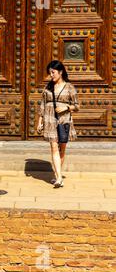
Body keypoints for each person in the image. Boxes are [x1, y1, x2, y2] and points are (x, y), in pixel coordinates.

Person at [37, 60, 79, 188]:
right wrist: (40, 122)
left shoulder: (69, 87)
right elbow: (43, 105)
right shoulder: (48, 87)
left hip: (63, 120)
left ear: (60, 72)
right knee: (54, 147)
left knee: (62, 149)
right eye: (50, 72)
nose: (51, 75)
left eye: (53, 72)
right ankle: (59, 178)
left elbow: (77, 106)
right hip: (50, 120)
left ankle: (57, 175)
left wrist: (66, 107)